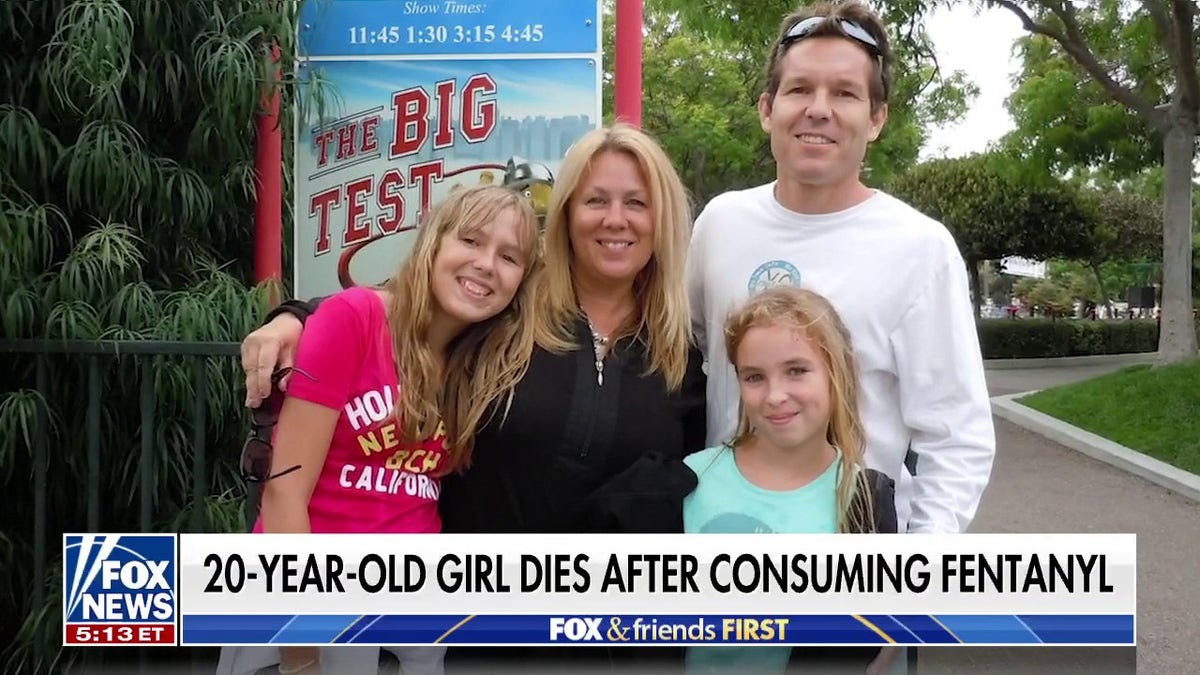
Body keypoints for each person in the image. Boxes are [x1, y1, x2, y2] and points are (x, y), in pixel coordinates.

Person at [239, 124, 707, 671]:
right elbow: (407, 306)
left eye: (637, 203)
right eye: (595, 199)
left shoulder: (680, 356)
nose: (615, 219)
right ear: (567, 214)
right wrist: (294, 319)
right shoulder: (511, 309)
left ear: (663, 220)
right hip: (475, 632)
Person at [687, 1, 995, 537]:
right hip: (723, 543)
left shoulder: (920, 248)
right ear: (767, 108)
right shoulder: (719, 224)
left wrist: (916, 569)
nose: (819, 109)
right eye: (800, 89)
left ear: (876, 119)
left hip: (854, 567)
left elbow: (956, 438)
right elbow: (688, 361)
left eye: (845, 93)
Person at [219, 185, 543, 675]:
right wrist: (301, 660)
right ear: (434, 242)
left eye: (510, 257)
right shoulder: (356, 319)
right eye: (471, 241)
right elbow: (284, 496)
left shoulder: (482, 364)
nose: (486, 264)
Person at [683, 286, 898, 675]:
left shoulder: (865, 502)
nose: (775, 395)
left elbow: (874, 648)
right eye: (754, 377)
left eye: (796, 370)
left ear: (837, 371)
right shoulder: (688, 482)